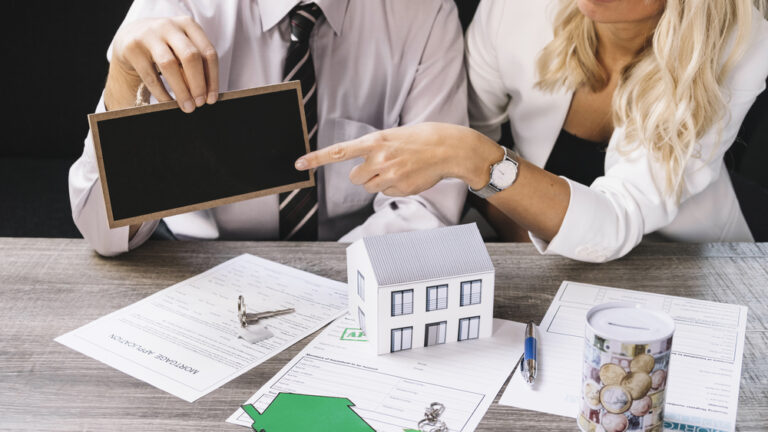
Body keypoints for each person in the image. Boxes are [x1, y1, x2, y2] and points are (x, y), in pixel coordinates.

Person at [296, 0, 768, 263]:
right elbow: (459, 156)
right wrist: (525, 229)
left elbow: (617, 222)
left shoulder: (738, 44)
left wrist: (472, 156)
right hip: (530, 253)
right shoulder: (518, 10)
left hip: (685, 262)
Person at [69, 0, 468, 256]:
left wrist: (323, 281)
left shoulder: (426, 14)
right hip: (195, 263)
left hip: (351, 267)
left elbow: (428, 206)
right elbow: (103, 235)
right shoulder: (174, 8)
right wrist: (122, 79)